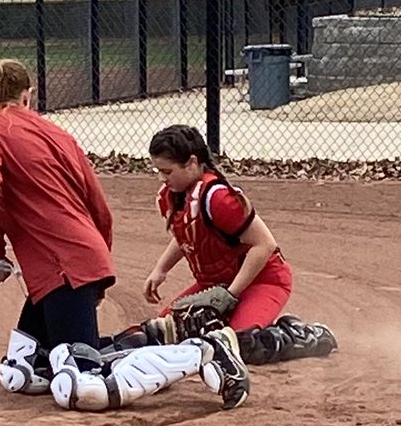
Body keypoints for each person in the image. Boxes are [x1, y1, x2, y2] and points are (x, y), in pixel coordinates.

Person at [0, 60, 250, 410]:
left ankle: (205, 351)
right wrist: (96, 270)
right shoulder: (56, 133)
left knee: (82, 386)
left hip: (63, 267)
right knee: (23, 372)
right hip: (71, 261)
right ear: (27, 98)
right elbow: (99, 208)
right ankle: (148, 347)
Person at [134, 124, 337, 364]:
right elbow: (189, 235)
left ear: (191, 163)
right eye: (158, 171)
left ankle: (303, 335)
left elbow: (264, 244)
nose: (162, 178)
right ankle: (233, 319)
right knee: (166, 333)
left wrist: (229, 295)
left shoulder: (218, 198)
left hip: (263, 281)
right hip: (214, 284)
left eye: (167, 171)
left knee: (238, 344)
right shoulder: (175, 195)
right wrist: (161, 269)